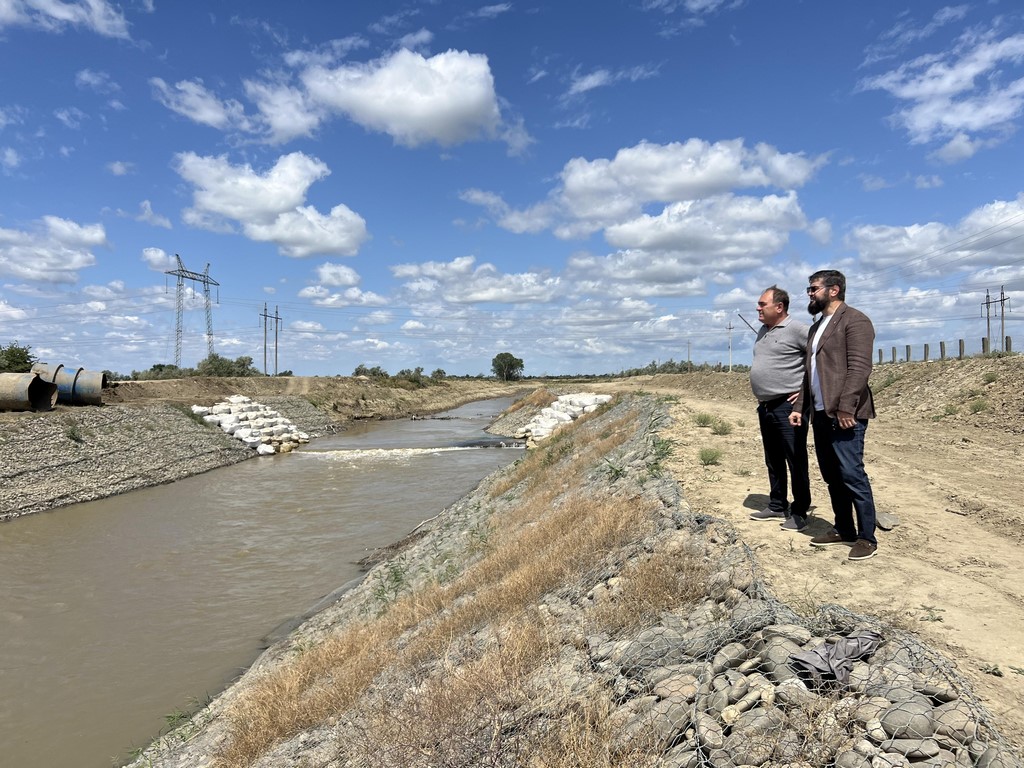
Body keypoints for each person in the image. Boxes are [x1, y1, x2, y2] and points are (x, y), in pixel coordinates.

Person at [789, 269, 879, 561]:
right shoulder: (816, 327)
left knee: (852, 474)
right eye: (809, 289)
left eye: (813, 288)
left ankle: (867, 538)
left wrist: (846, 407)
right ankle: (844, 529)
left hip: (845, 414)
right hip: (820, 413)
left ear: (834, 289)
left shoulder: (855, 321)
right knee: (832, 476)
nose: (809, 293)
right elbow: (810, 374)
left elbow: (860, 368)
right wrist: (800, 407)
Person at [748, 285, 812, 531]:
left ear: (779, 307)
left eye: (762, 304)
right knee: (773, 459)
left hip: (789, 407)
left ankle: (800, 512)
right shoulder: (764, 330)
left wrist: (805, 392)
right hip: (766, 406)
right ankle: (777, 504)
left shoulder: (797, 329)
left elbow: (820, 357)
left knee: (795, 459)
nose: (758, 308)